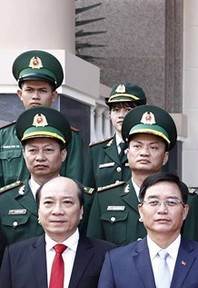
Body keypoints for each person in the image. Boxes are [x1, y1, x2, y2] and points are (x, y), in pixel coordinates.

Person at [86, 105, 198, 246]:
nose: (144, 153)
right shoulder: (104, 198)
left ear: (165, 157)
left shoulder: (188, 199)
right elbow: (95, 251)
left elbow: (193, 252)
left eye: (153, 147)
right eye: (137, 146)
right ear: (127, 153)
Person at [0, 107, 93, 245]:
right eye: (32, 150)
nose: (40, 157)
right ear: (24, 154)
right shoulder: (5, 200)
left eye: (48, 150)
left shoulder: (85, 198)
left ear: (63, 155)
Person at [0, 50, 84, 186]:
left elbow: (75, 184)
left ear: (54, 95)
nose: (35, 96)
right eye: (30, 90)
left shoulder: (70, 136)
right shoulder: (3, 136)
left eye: (42, 90)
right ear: (20, 94)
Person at [84, 83, 149, 189]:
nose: (121, 115)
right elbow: (88, 193)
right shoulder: (96, 151)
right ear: (109, 114)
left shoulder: (150, 150)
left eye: (128, 110)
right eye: (116, 110)